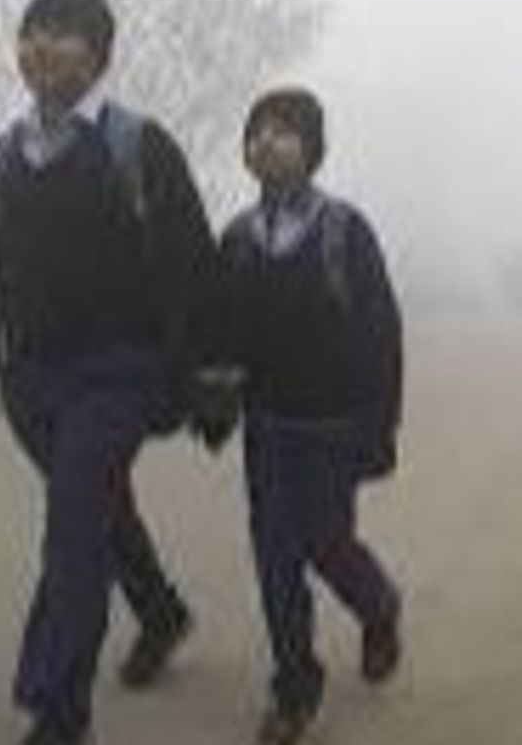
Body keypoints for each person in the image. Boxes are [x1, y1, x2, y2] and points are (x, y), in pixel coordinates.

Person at [0, 0, 218, 745]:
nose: (41, 45)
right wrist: (6, 364)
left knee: (74, 523)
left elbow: (192, 264)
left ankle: (56, 708)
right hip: (36, 381)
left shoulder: (136, 145)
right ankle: (160, 612)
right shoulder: (2, 159)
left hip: (120, 369)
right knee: (98, 506)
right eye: (31, 31)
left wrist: (206, 376)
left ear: (98, 55)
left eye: (63, 31)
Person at [212, 87, 404, 745]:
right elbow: (220, 333)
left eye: (284, 130)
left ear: (313, 149)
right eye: (256, 131)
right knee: (275, 559)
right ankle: (295, 687)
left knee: (328, 543)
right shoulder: (237, 239)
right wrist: (211, 398)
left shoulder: (344, 232)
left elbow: (381, 335)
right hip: (267, 430)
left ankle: (379, 607)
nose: (266, 141)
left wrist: (380, 427)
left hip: (334, 429)